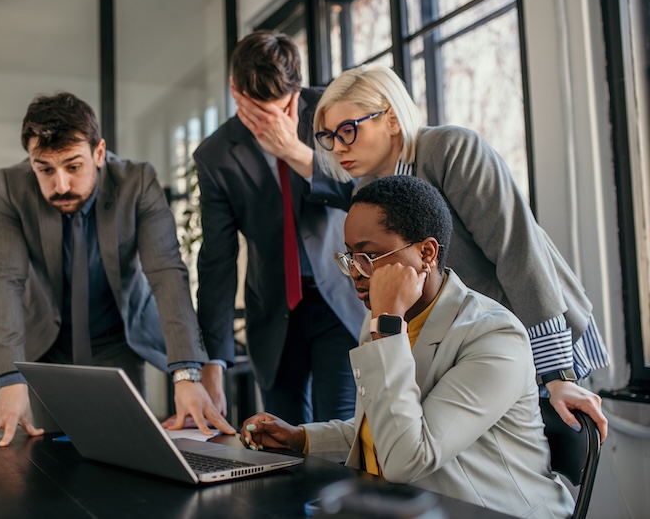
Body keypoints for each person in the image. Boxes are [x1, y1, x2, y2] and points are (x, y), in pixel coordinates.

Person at [249, 63, 607, 438]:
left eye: (348, 130)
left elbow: (519, 254)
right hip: (466, 348)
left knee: (535, 462)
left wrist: (556, 374)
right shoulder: (365, 193)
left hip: (533, 327)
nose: (338, 147)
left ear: (390, 117)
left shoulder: (450, 149)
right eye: (327, 136)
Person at [240, 176, 575, 518]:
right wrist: (299, 439)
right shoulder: (385, 320)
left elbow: (406, 457)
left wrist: (387, 324)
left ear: (426, 253)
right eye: (350, 256)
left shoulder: (493, 336)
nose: (355, 272)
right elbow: (385, 427)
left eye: (370, 255)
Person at [0, 92, 233, 448]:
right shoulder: (10, 188)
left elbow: (166, 272)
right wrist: (11, 379)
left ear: (99, 153)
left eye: (73, 167)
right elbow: (3, 280)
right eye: (44, 169)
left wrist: (186, 373)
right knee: (47, 460)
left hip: (118, 338)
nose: (60, 185)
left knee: (124, 450)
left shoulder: (137, 183)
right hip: (45, 345)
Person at [193, 30, 367, 425]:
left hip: (342, 299)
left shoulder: (333, 112)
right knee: (282, 442)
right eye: (257, 112)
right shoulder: (215, 156)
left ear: (297, 89)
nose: (270, 123)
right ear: (234, 90)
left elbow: (366, 195)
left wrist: (294, 152)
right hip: (273, 311)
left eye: (281, 109)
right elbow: (217, 262)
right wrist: (213, 364)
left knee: (337, 436)